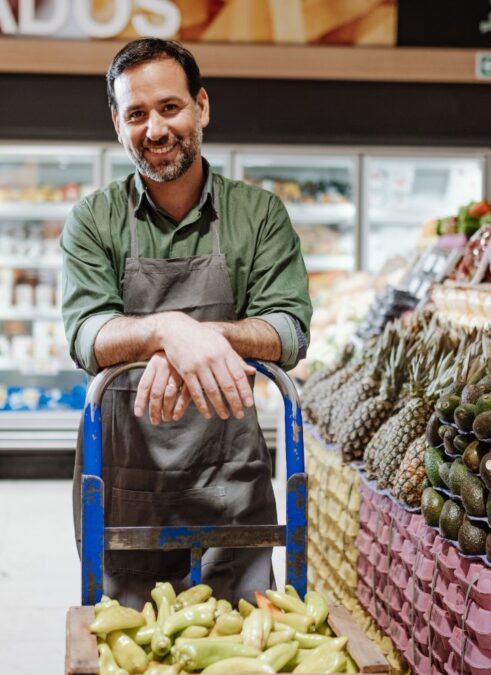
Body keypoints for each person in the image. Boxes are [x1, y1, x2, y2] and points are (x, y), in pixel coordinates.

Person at [62, 38, 312, 607]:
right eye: (136, 114)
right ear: (118, 124)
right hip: (125, 482)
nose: (155, 129)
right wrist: (168, 330)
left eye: (170, 107)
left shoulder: (258, 214)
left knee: (240, 641)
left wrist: (205, 338)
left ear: (202, 106)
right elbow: (86, 335)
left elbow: (289, 330)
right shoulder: (94, 219)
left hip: (231, 480)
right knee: (132, 641)